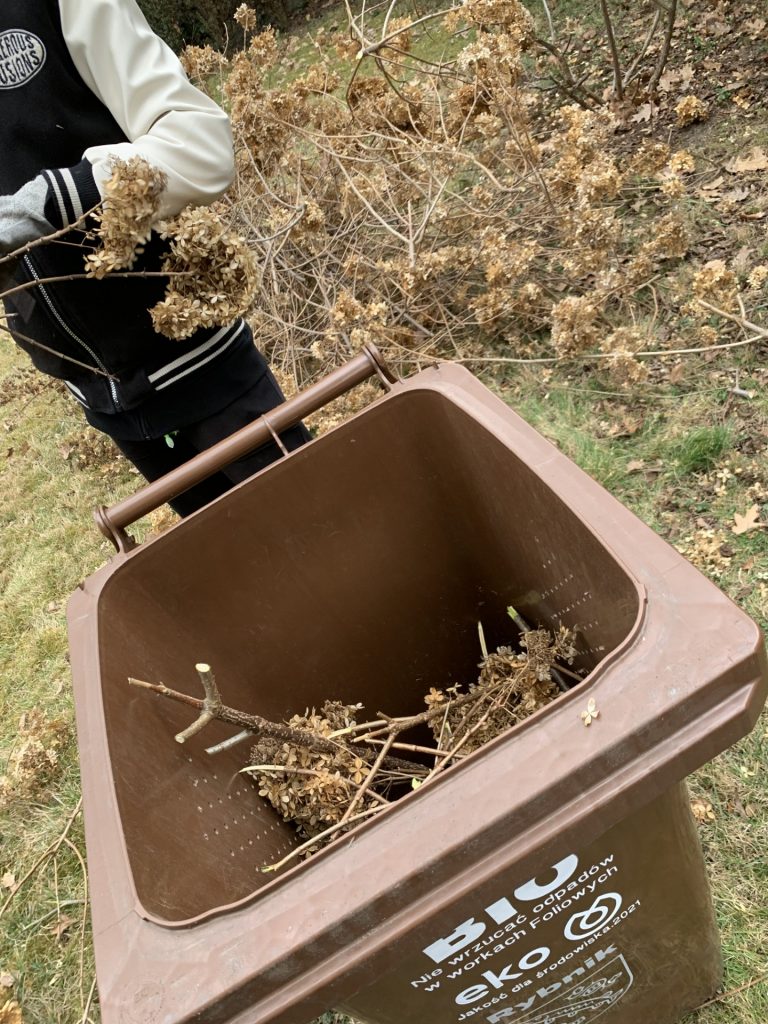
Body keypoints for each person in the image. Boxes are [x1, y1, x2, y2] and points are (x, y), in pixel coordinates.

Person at [0, 0, 308, 516]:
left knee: (327, 536)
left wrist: (46, 205)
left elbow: (201, 146)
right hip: (99, 396)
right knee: (241, 572)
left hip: (203, 365)